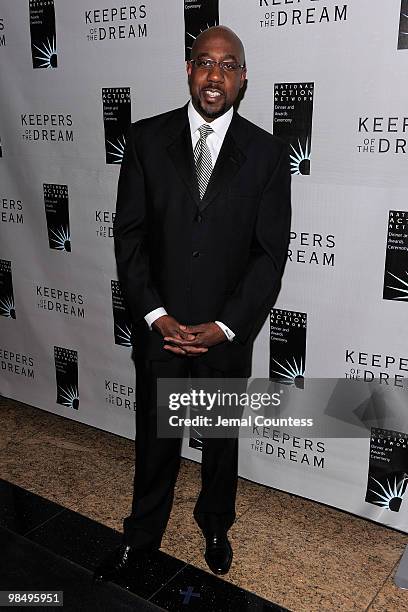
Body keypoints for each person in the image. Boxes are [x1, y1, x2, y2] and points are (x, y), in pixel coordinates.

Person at [94, 25, 291, 584]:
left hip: (224, 335)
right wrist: (156, 316)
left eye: (229, 65)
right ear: (188, 69)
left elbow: (268, 255)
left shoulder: (269, 155)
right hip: (161, 328)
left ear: (243, 77)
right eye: (205, 62)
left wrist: (225, 326)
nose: (215, 74)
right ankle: (142, 535)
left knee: (220, 444)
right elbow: (128, 237)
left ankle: (215, 525)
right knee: (155, 439)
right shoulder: (146, 140)